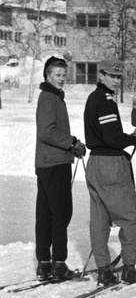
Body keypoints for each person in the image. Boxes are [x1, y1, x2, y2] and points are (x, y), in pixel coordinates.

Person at [83, 59, 136, 285]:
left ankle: (103, 270)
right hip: (111, 164)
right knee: (129, 217)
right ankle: (129, 268)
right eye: (111, 76)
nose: (116, 81)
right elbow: (112, 138)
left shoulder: (93, 98)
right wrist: (135, 138)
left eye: (118, 77)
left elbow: (105, 134)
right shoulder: (106, 100)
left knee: (99, 219)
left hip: (94, 163)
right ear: (101, 76)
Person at [34, 56, 86, 282]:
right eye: (57, 74)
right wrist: (71, 142)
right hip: (54, 164)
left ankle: (44, 263)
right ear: (47, 75)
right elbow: (46, 132)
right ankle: (58, 264)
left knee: (46, 214)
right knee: (61, 213)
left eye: (64, 75)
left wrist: (70, 146)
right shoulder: (49, 98)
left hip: (48, 162)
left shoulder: (52, 96)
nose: (62, 78)